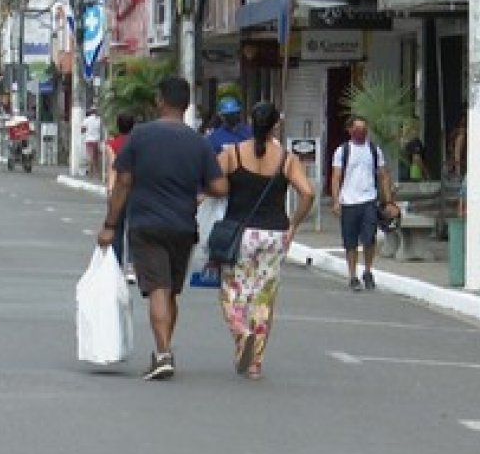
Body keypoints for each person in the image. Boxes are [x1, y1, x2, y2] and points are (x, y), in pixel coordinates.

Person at [98, 76, 229, 381]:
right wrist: (199, 194)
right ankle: (163, 349)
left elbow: (123, 184)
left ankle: (163, 353)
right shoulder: (199, 142)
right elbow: (220, 186)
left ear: (160, 100)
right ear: (186, 105)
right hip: (183, 227)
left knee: (158, 289)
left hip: (146, 225)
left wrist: (109, 225)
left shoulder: (140, 136)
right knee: (170, 292)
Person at [216, 102, 315, 380]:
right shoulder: (286, 158)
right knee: (263, 297)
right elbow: (307, 193)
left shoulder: (232, 154)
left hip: (241, 233)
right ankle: (255, 362)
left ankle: (242, 332)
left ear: (250, 121)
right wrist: (294, 223)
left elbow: (212, 183)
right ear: (275, 126)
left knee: (232, 292)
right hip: (274, 234)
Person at [331, 117, 397, 292]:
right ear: (350, 130)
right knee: (350, 241)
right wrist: (336, 200)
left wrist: (388, 201)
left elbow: (383, 175)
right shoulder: (342, 151)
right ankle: (352, 275)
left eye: (363, 128)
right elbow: (336, 177)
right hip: (349, 202)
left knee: (369, 238)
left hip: (369, 200)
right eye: (357, 128)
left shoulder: (374, 150)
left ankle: (368, 271)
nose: (361, 131)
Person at [105, 112, 137, 278]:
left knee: (117, 229)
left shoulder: (113, 144)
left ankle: (117, 266)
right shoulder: (138, 143)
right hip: (136, 190)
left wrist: (110, 189)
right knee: (132, 228)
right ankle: (131, 267)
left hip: (119, 188)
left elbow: (113, 168)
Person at [81, 108, 103, 177]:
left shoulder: (86, 120)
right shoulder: (99, 120)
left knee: (90, 156)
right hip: (96, 140)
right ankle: (97, 173)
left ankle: (90, 172)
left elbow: (82, 130)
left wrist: (86, 130)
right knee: (96, 157)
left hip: (88, 140)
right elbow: (101, 129)